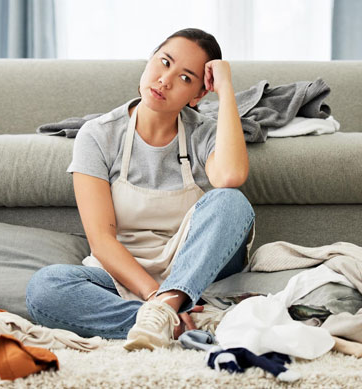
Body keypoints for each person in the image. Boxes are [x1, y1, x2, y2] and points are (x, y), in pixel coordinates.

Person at [26, 28, 255, 351]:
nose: (165, 80)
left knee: (231, 201)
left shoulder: (204, 133)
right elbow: (101, 240)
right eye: (163, 62)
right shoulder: (98, 135)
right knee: (45, 289)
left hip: (198, 271)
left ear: (198, 95)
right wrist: (153, 297)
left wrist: (227, 88)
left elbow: (231, 175)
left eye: (186, 78)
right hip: (122, 276)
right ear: (149, 60)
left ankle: (169, 308)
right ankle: (178, 319)